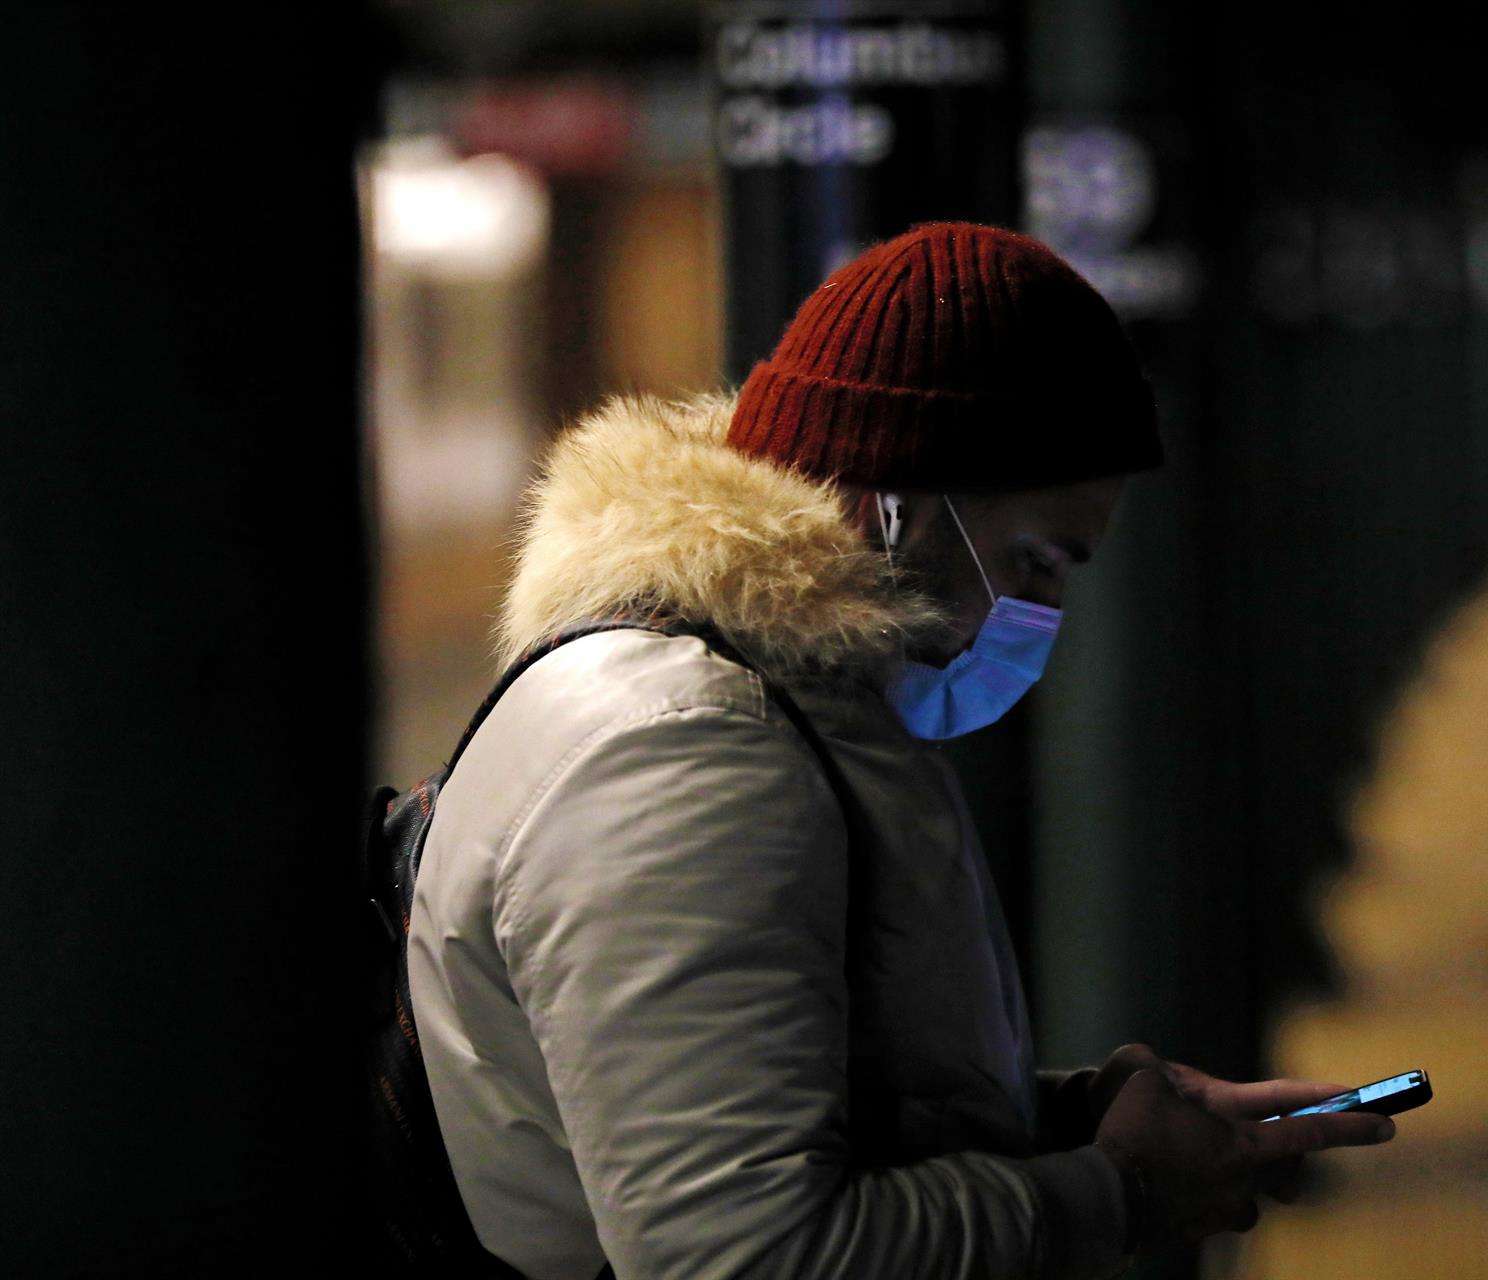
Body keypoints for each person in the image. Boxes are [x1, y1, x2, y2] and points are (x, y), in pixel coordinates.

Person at [406, 222, 1395, 1280]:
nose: (1045, 609)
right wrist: (1122, 1191)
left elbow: (789, 1099)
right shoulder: (683, 753)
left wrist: (1079, 1124)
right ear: (891, 509)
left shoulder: (770, 703)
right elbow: (742, 1253)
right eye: (1036, 559)